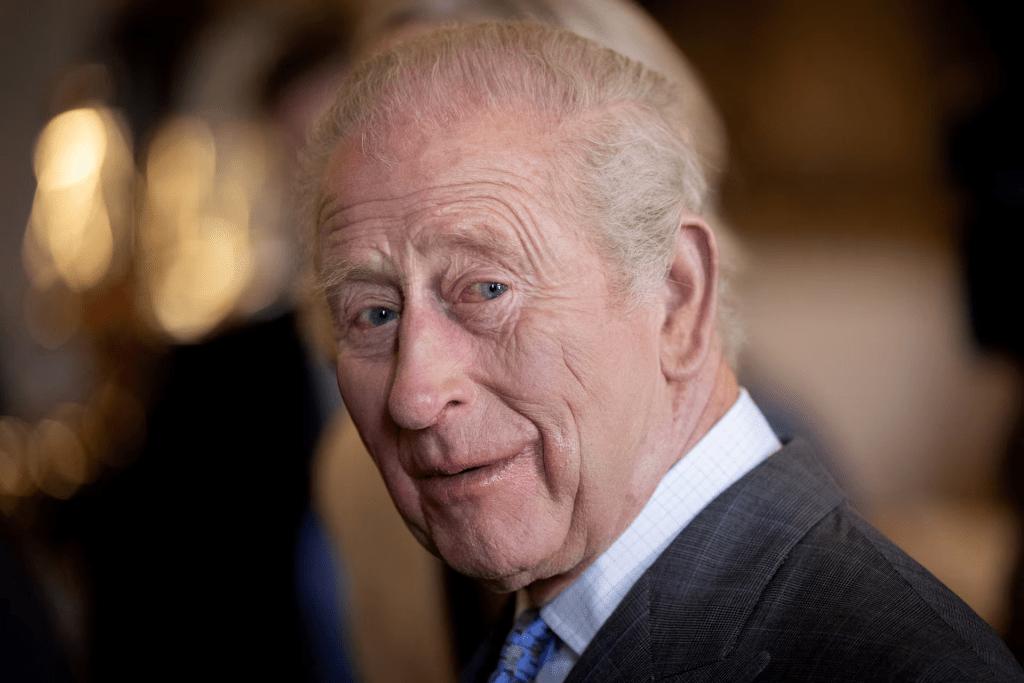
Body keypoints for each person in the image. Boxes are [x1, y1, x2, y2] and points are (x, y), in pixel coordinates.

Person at [302, 21, 1024, 682]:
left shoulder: (896, 669)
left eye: (486, 289)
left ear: (677, 297)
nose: (414, 394)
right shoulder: (534, 631)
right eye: (375, 313)